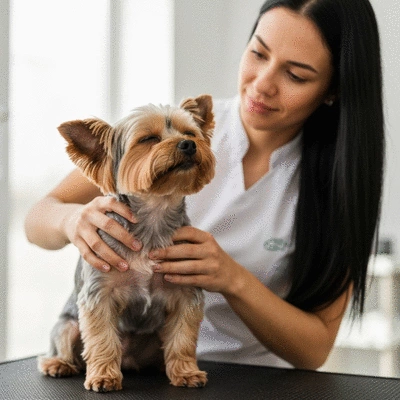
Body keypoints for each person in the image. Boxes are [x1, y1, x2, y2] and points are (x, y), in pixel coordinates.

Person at [25, 0, 384, 370]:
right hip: (143, 371)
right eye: (258, 53)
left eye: (295, 75)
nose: (262, 85)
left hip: (250, 378)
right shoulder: (172, 131)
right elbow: (36, 222)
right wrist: (70, 221)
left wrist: (231, 278)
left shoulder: (337, 186)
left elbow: (314, 351)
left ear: (333, 90)